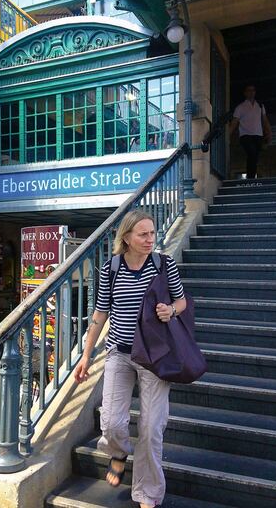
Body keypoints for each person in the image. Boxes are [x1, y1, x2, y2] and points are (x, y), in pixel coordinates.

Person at [74, 210, 186, 508]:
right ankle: (119, 452)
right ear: (126, 238)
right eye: (143, 234)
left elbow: (182, 301)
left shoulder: (164, 265)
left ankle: (148, 493)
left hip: (155, 356)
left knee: (151, 429)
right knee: (110, 422)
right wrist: (86, 356)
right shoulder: (111, 268)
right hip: (118, 354)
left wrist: (171, 311)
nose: (150, 239)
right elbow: (100, 315)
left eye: (152, 233)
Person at [230, 84, 272, 179]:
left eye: (253, 90)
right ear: (245, 93)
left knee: (254, 157)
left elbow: (265, 121)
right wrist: (228, 136)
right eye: (249, 90)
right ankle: (251, 178)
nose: (251, 92)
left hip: (258, 135)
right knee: (252, 153)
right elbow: (234, 123)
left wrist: (269, 133)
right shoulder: (240, 107)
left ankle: (251, 177)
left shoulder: (260, 106)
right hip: (245, 136)